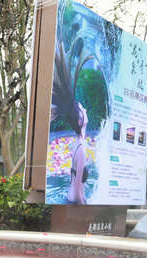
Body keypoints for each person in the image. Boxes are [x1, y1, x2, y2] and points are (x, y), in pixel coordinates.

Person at [51, 41, 90, 204]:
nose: (85, 109)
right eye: (82, 109)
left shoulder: (78, 143)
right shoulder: (81, 149)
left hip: (70, 198)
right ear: (80, 120)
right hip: (75, 201)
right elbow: (79, 191)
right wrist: (84, 206)